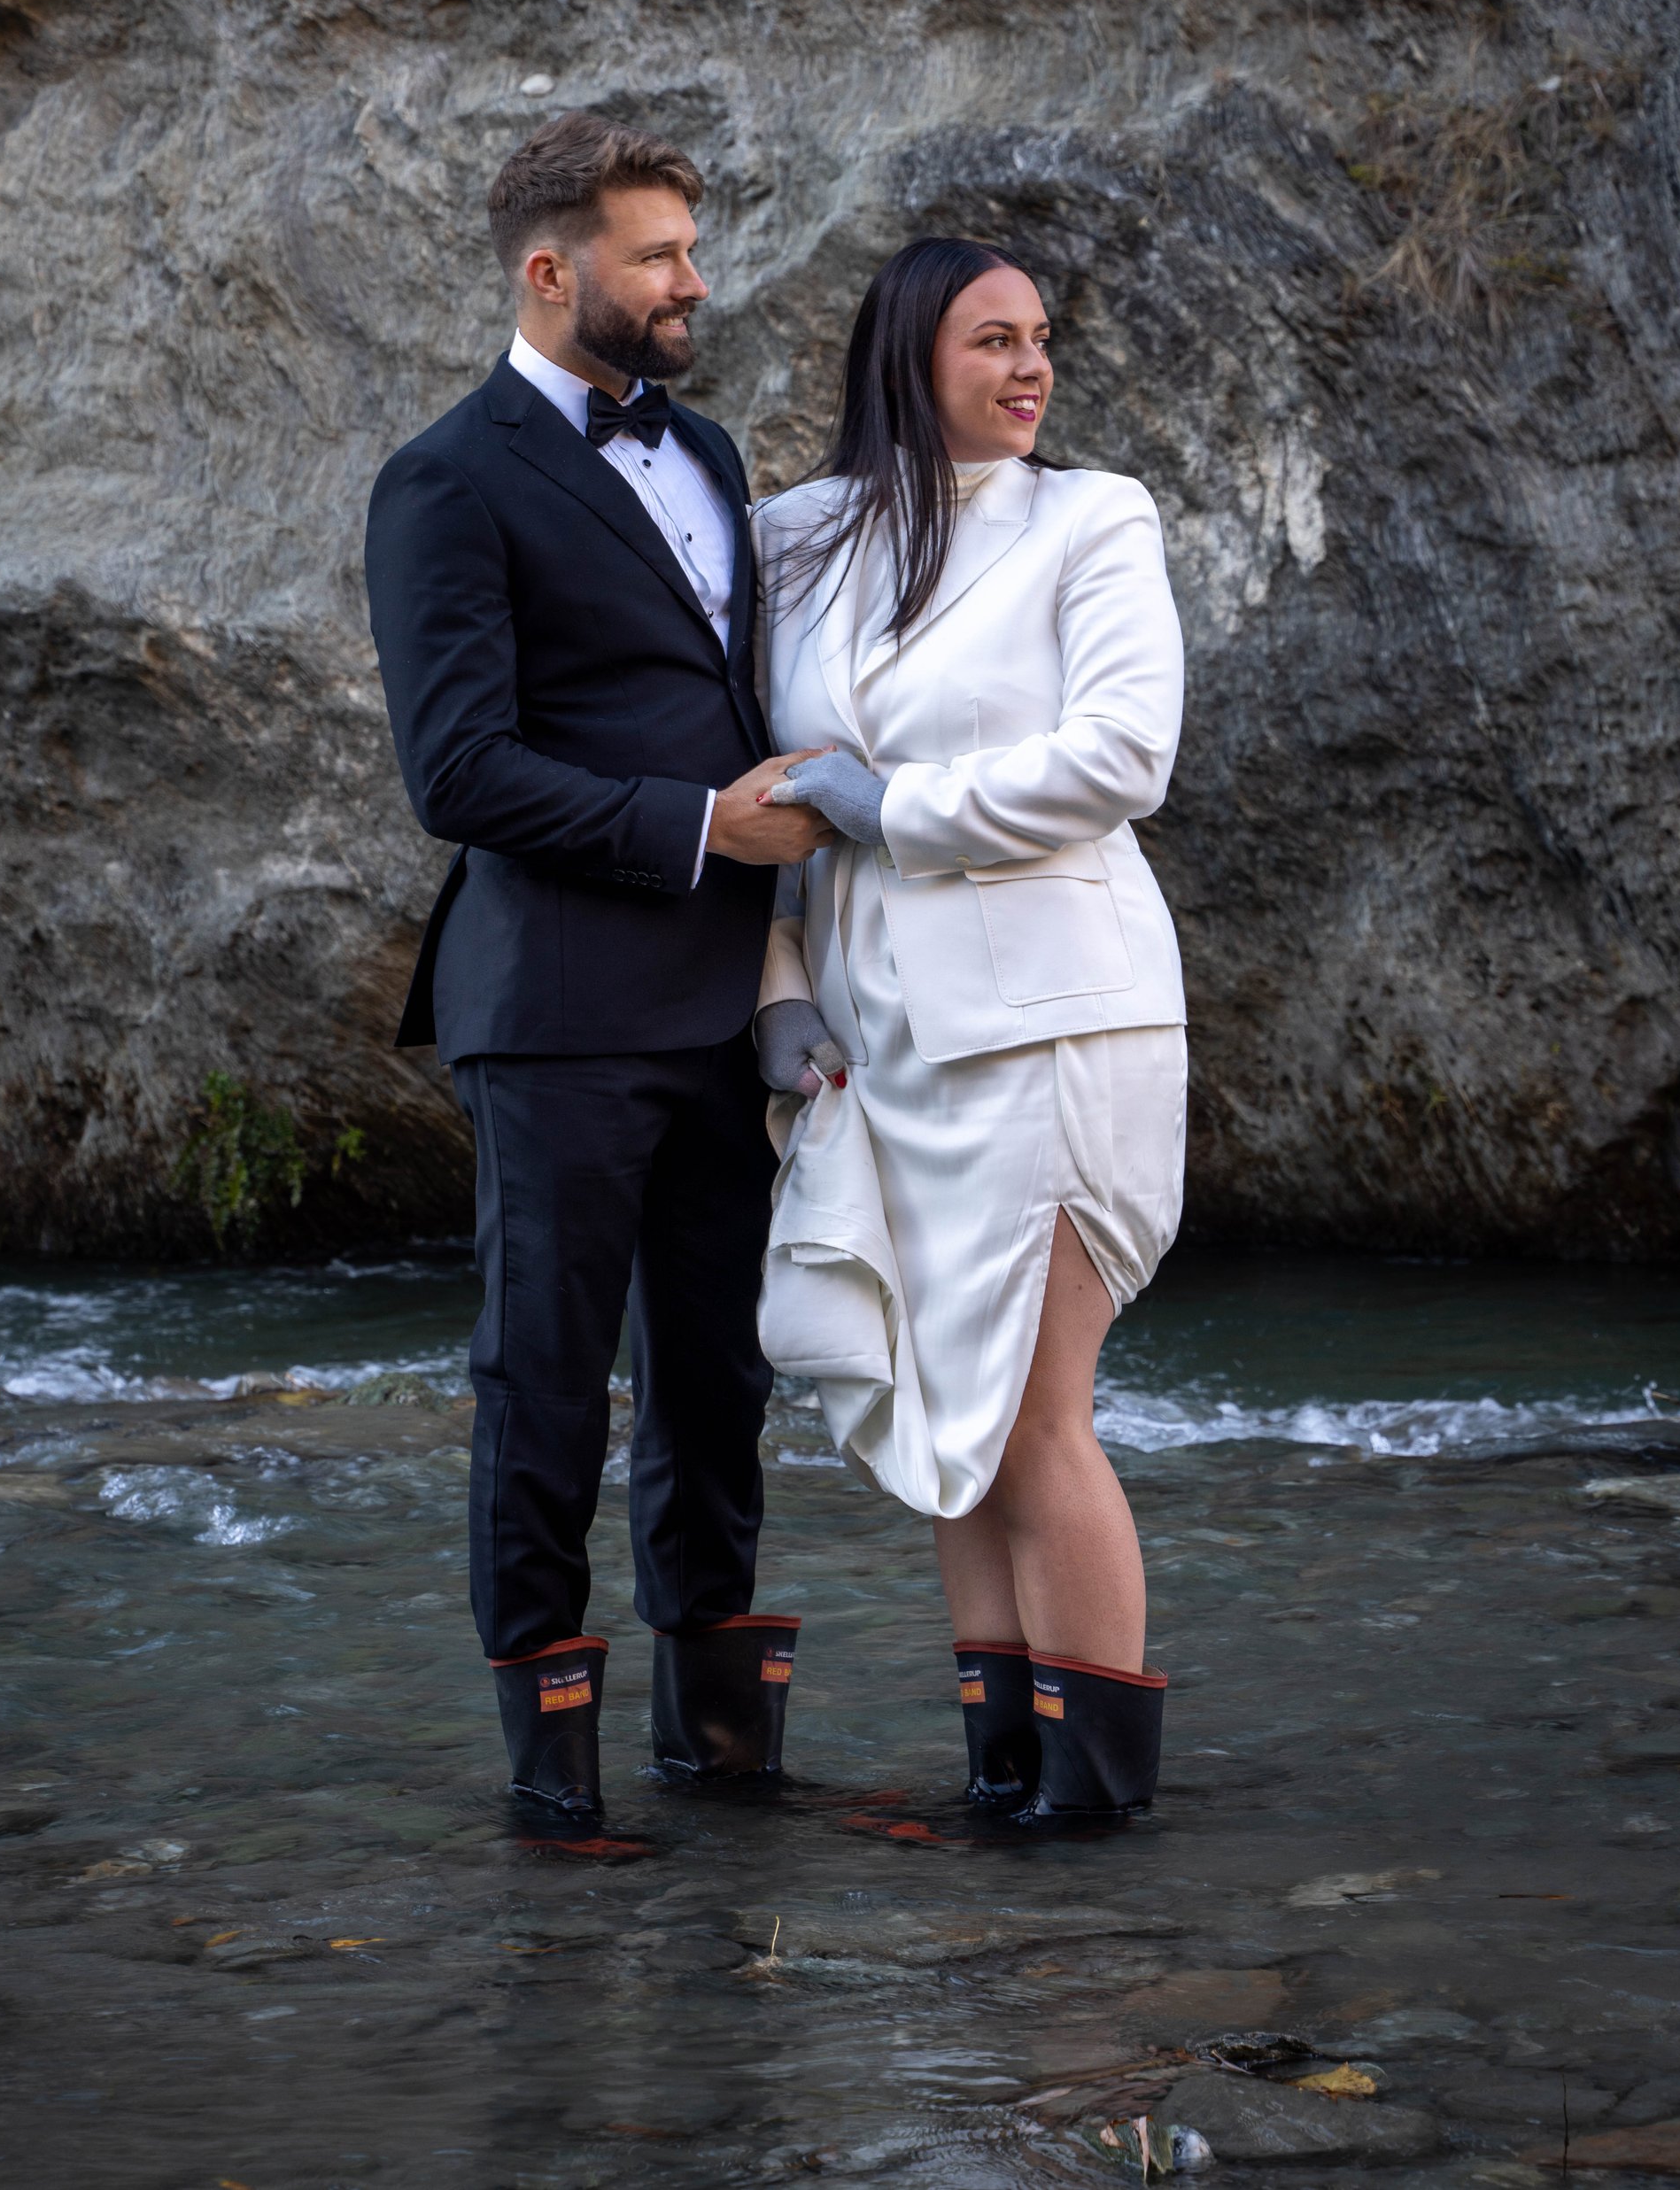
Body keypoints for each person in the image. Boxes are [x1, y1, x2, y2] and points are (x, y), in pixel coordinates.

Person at [364, 114, 827, 1823]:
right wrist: (704, 825)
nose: (694, 281)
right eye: (660, 255)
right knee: (543, 1385)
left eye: (693, 250)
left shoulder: (704, 446)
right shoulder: (444, 478)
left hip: (722, 1009)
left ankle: (721, 1764)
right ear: (552, 273)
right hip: (554, 1012)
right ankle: (554, 1795)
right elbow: (458, 774)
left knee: (721, 1381)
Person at [751, 237, 1188, 1826]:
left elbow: (1125, 753)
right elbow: (768, 799)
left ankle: (1097, 1804)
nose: (1032, 368)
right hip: (882, 1049)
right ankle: (1007, 1776)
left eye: (1041, 339)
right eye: (992, 340)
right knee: (956, 1417)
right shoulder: (789, 542)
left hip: (1060, 1029)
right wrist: (781, 994)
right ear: (905, 360)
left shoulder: (1094, 516)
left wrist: (902, 805)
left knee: (1038, 1411)